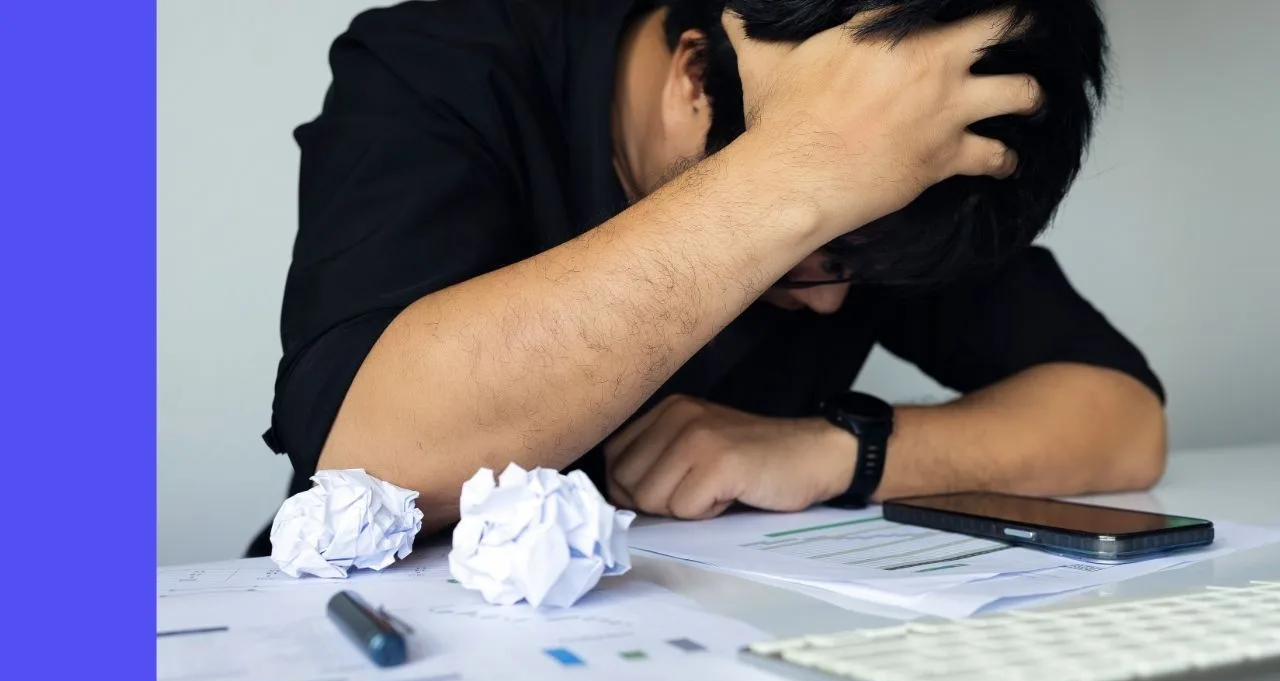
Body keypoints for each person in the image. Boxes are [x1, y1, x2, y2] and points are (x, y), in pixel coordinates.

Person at [247, 0, 1166, 556]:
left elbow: (1124, 423)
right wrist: (794, 172)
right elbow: (368, 459)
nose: (838, 300)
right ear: (694, 74)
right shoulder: (443, 65)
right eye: (819, 250)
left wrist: (826, 453)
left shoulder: (906, 172)